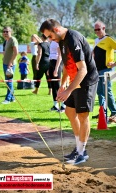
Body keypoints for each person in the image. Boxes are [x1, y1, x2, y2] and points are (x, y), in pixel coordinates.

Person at [40, 19, 99, 165]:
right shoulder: (61, 41)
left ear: (56, 30)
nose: (49, 40)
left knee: (83, 115)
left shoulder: (73, 38)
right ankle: (79, 148)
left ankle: (82, 152)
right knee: (70, 112)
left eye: (50, 36)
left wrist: (68, 90)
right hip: (74, 80)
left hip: (86, 80)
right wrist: (63, 85)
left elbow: (83, 69)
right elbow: (67, 64)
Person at [93, 20, 116, 123]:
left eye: (99, 29)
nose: (97, 31)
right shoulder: (96, 40)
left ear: (104, 28)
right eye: (95, 30)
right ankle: (103, 112)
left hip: (107, 70)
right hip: (97, 70)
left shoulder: (109, 39)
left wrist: (114, 64)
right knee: (100, 92)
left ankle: (114, 112)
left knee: (107, 91)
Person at [1, 26, 18, 104]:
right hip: (5, 63)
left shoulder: (13, 40)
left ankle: (7, 99)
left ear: (10, 32)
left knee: (9, 82)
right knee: (8, 81)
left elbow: (16, 52)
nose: (5, 33)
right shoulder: (6, 41)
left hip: (10, 64)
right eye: (4, 31)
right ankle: (12, 98)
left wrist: (10, 63)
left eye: (7, 31)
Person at [49, 40, 65, 112]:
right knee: (53, 84)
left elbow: (60, 55)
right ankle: (55, 105)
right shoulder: (51, 41)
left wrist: (56, 68)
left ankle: (63, 105)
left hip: (57, 63)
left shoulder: (58, 42)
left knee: (58, 85)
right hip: (51, 62)